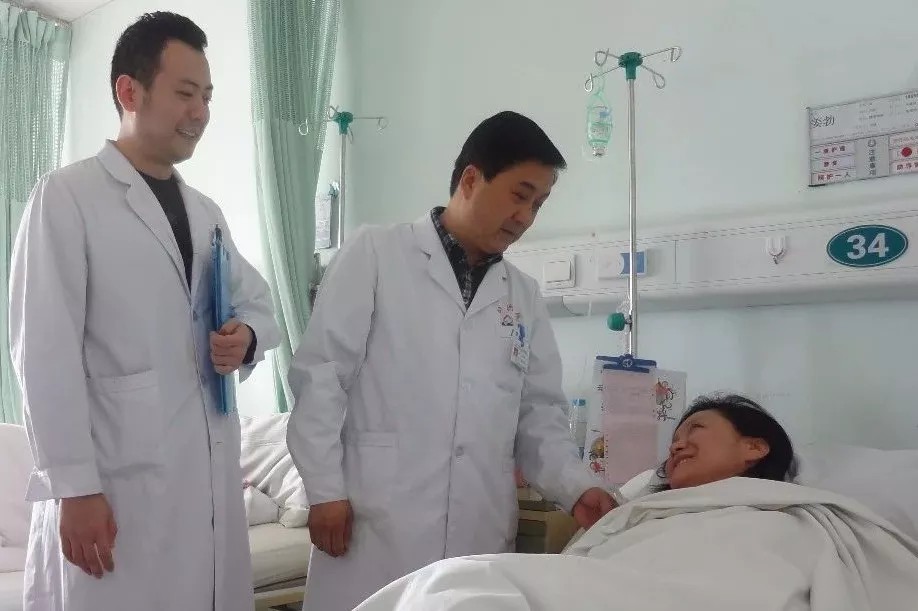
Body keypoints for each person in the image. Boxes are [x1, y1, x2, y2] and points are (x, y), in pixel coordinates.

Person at [287, 110, 619, 610]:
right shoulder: (376, 254)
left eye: (538, 204)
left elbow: (539, 418)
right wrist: (324, 490)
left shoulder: (523, 297)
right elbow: (321, 378)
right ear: (470, 179)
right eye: (519, 194)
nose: (526, 217)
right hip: (374, 526)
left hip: (477, 530)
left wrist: (577, 488)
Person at [9, 12, 279, 611]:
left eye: (207, 96)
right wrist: (74, 488)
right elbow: (44, 353)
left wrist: (247, 335)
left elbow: (260, 306)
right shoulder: (67, 197)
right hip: (114, 484)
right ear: (129, 92)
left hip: (202, 477)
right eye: (185, 93)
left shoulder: (206, 213)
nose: (200, 112)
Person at [656, 393, 795, 491]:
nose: (675, 447)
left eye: (695, 428)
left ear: (754, 448)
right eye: (674, 440)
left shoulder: (782, 521)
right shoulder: (647, 512)